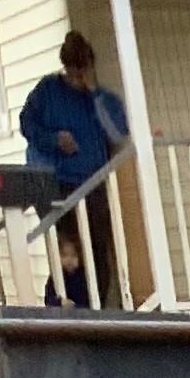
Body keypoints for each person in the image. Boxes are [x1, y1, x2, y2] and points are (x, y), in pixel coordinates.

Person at [19, 32, 129, 309]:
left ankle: (94, 310)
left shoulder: (101, 99)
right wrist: (54, 139)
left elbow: (118, 133)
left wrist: (95, 94)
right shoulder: (47, 92)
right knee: (69, 252)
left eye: (83, 72)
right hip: (56, 183)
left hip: (92, 183)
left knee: (97, 251)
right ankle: (59, 303)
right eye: (73, 73)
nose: (78, 79)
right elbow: (27, 124)